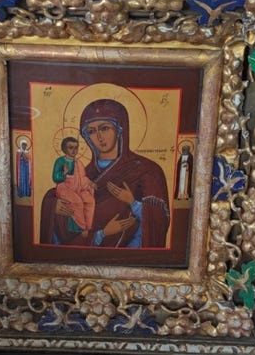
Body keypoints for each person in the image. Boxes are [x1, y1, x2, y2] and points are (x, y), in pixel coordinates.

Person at [40, 98, 170, 248]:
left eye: (105, 128)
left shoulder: (147, 170)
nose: (99, 137)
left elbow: (158, 222)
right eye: (91, 131)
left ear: (119, 130)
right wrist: (53, 206)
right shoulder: (85, 173)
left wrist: (133, 203)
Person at [52, 136, 95, 234]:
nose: (74, 150)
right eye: (71, 147)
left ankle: (88, 226)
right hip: (64, 188)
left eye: (76, 147)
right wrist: (64, 173)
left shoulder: (78, 162)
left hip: (77, 188)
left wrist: (90, 183)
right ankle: (79, 227)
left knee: (89, 200)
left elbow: (82, 178)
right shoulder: (60, 161)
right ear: (64, 148)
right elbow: (55, 178)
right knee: (77, 201)